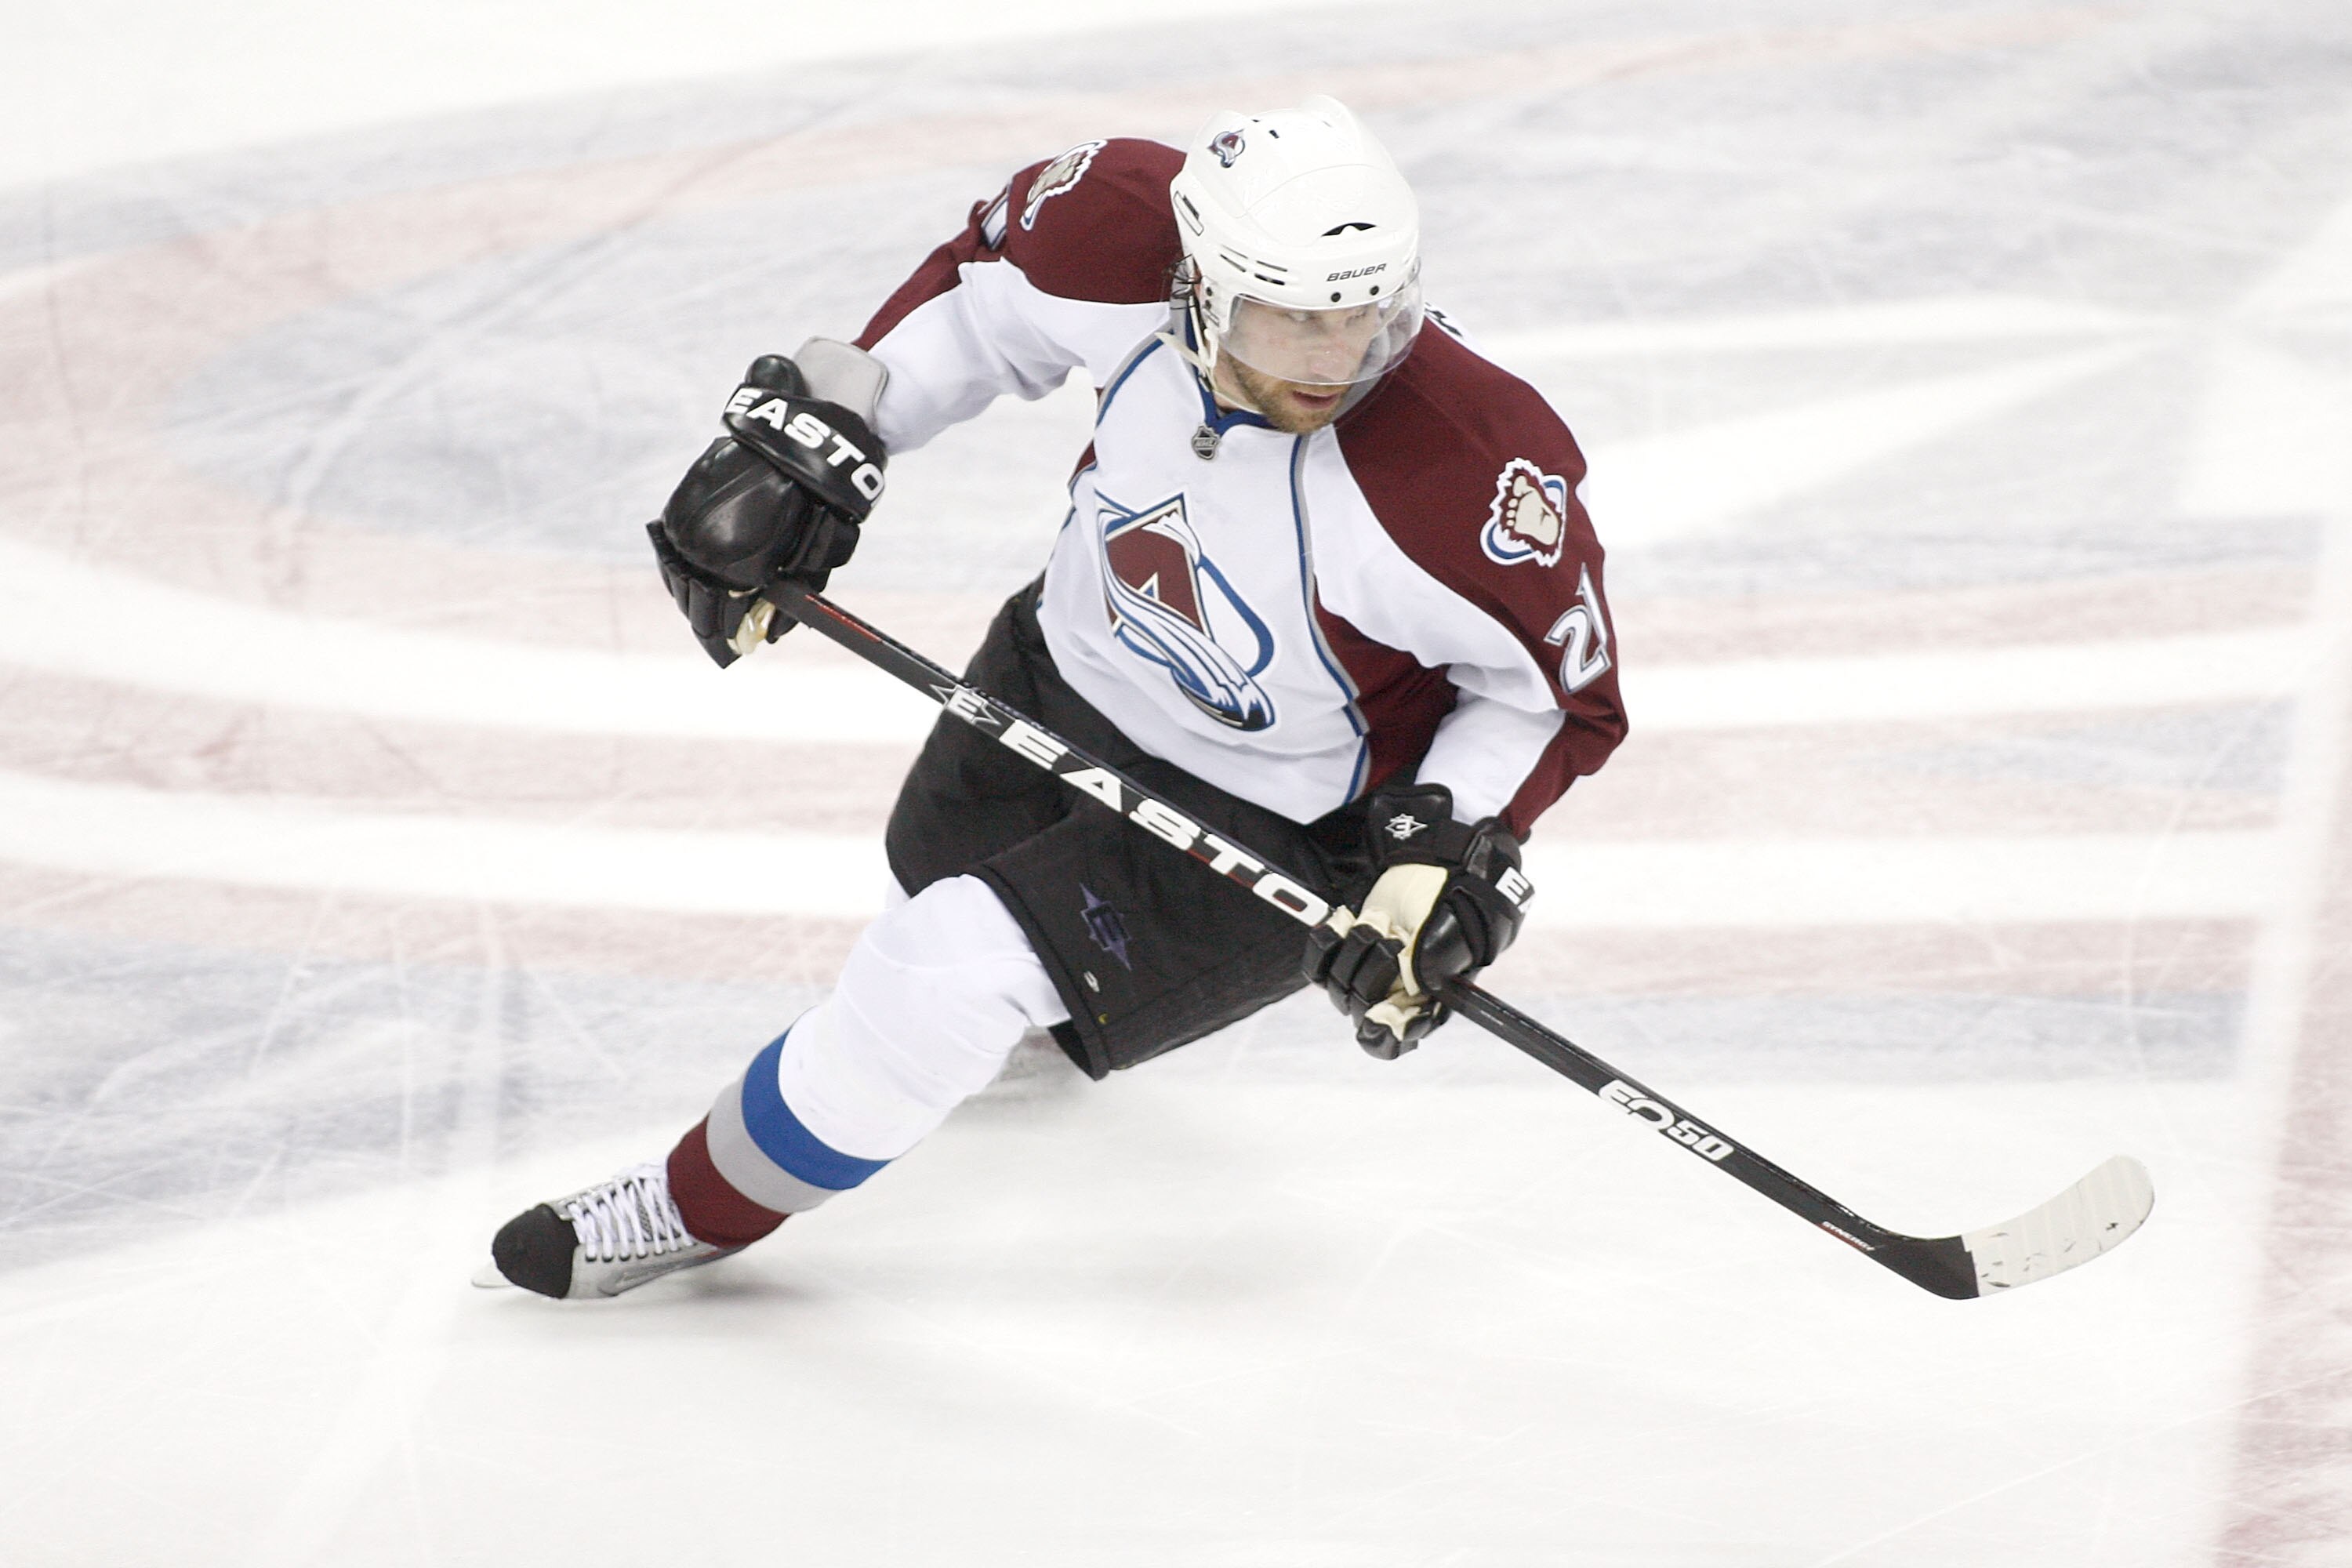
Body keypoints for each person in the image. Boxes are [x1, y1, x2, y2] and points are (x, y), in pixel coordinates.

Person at [477, 96, 1628, 1300]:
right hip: (1060, 671)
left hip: (1273, 813)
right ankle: (962, 1054)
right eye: (1294, 321)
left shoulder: (1467, 466)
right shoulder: (1112, 230)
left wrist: (1440, 844)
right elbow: (975, 316)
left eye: (1366, 317)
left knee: (941, 973)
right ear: (1201, 283)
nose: (1337, 361)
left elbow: (1549, 698)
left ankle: (693, 1203)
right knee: (927, 879)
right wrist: (830, 433)